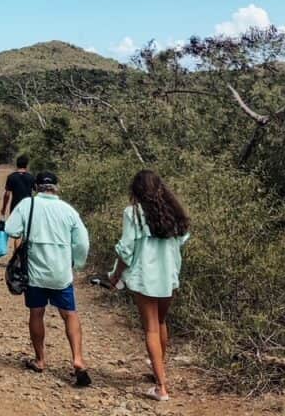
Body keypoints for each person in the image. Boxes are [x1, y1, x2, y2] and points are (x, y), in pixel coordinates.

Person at [107, 169, 190, 402]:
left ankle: (161, 387)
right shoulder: (173, 213)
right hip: (169, 276)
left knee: (151, 328)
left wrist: (116, 275)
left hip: (145, 277)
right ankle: (159, 372)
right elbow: (182, 239)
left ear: (136, 190)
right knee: (161, 323)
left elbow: (126, 249)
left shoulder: (133, 213)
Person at [5, 171, 91, 387]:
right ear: (56, 187)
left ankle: (40, 360)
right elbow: (82, 243)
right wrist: (77, 262)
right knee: (69, 314)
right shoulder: (68, 210)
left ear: (36, 187)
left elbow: (11, 229)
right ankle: (78, 359)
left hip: (35, 272)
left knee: (36, 312)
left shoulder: (28, 205)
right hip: (62, 273)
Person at [1, 155, 35, 251]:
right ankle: (23, 255)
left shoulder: (11, 177)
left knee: (18, 234)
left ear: (17, 165)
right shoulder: (31, 178)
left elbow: (7, 194)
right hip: (28, 207)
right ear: (26, 165)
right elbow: (35, 192)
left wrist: (3, 208)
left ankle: (17, 256)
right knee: (26, 232)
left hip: (15, 207)